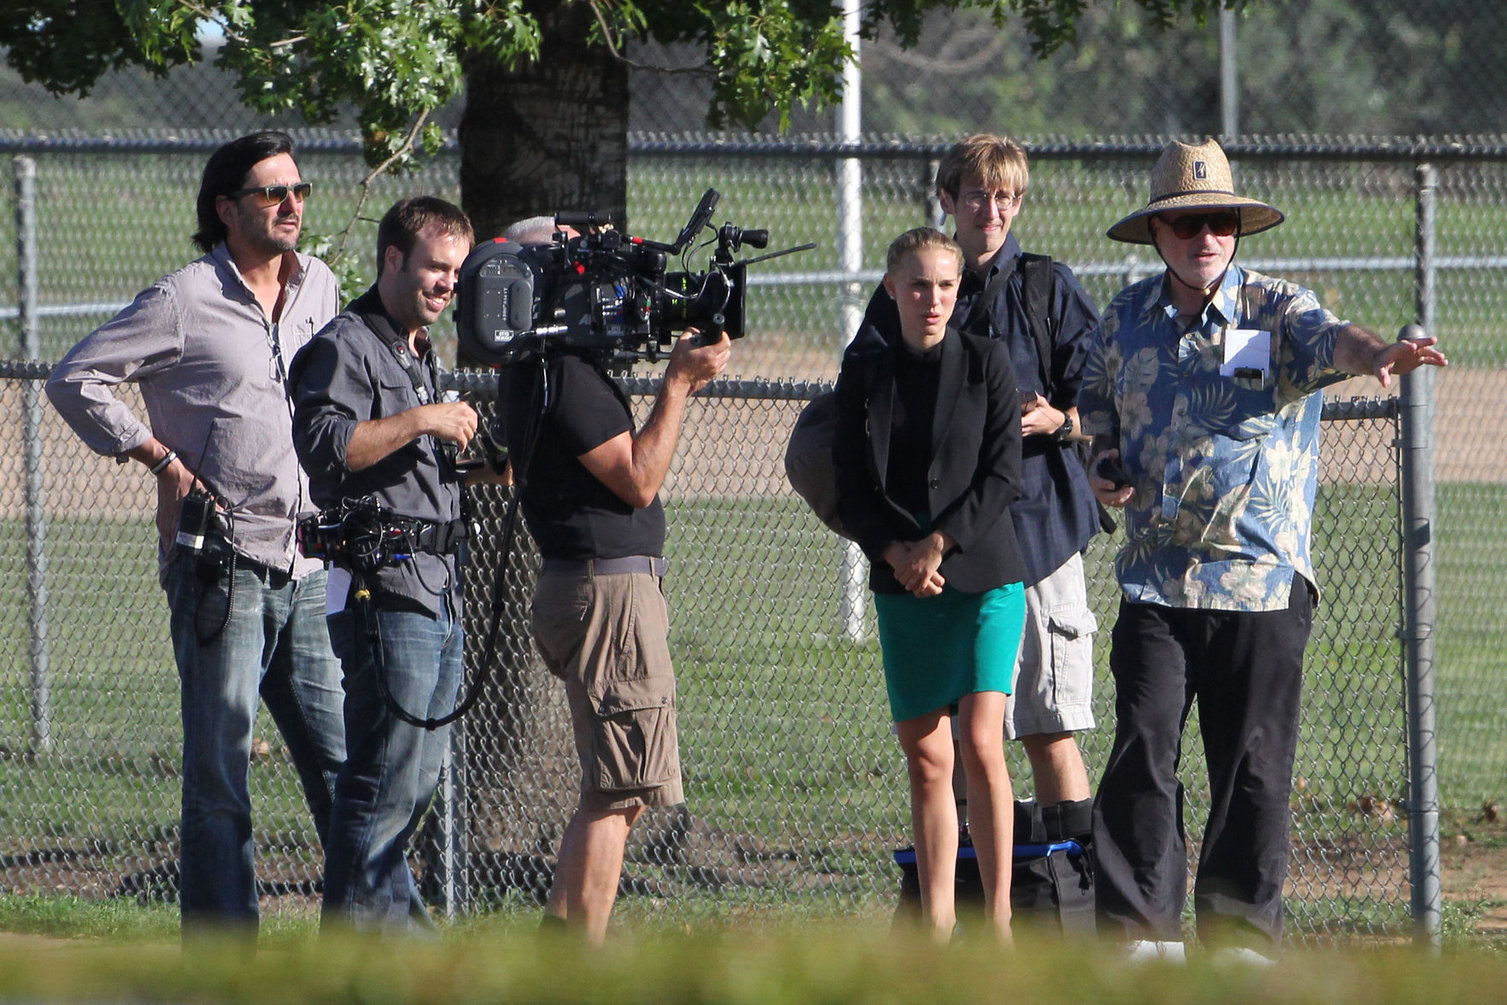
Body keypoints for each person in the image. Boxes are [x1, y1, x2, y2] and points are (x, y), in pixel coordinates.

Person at [1078, 138, 1448, 960]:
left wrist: (1377, 353)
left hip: (1258, 583)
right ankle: (1140, 939)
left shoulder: (1272, 311)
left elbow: (1333, 340)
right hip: (1155, 583)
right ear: (1157, 232)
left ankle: (1240, 940)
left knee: (1251, 766)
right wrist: (1098, 458)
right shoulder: (1125, 318)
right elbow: (1093, 406)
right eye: (1183, 223)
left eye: (1217, 221)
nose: (1202, 236)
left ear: (1236, 229)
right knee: (1142, 748)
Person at [45, 130, 347, 939]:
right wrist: (159, 458)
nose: (291, 205)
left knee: (344, 766)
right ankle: (224, 968)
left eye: (298, 191)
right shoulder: (184, 297)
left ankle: (368, 945)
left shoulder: (320, 284)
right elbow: (75, 378)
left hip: (309, 560)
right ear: (225, 209)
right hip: (223, 565)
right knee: (221, 777)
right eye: (271, 193)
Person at [863, 134, 1101, 866]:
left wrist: (1061, 420)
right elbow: (865, 399)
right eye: (974, 195)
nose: (989, 210)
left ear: (1018, 203)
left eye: (1004, 197)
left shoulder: (1044, 288)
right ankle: (968, 883)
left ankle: (1075, 885)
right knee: (960, 730)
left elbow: (1103, 395)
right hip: (939, 555)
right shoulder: (911, 289)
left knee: (1045, 723)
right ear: (946, 200)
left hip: (1034, 536)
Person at [500, 250, 730, 945]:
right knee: (620, 789)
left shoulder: (538, 369)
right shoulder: (566, 374)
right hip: (607, 593)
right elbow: (638, 479)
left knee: (612, 787)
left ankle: (558, 947)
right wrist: (680, 386)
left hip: (592, 586)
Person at [288, 196, 481, 934]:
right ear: (393, 260)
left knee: (413, 779)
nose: (446, 285)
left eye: (457, 273)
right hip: (381, 588)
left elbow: (412, 464)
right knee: (378, 779)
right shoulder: (349, 343)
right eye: (435, 266)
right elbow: (328, 447)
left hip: (437, 588)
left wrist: (479, 463)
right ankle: (355, 956)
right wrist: (425, 419)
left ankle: (400, 950)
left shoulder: (416, 349)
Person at [838, 227, 1027, 941]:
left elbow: (1001, 473)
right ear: (891, 287)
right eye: (918, 284)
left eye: (945, 285)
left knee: (980, 739)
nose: (933, 299)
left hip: (980, 573)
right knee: (926, 758)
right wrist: (896, 552)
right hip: (899, 578)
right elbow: (850, 483)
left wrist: (936, 544)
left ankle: (1000, 919)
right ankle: (939, 930)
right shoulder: (867, 369)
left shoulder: (987, 361)